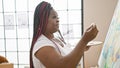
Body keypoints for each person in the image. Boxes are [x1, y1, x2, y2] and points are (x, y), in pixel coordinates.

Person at [30, 1, 98, 68]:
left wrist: (82, 48)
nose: (57, 20)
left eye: (57, 17)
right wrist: (83, 41)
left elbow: (67, 57)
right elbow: (64, 65)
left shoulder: (56, 39)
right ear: (42, 20)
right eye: (54, 17)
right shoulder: (41, 45)